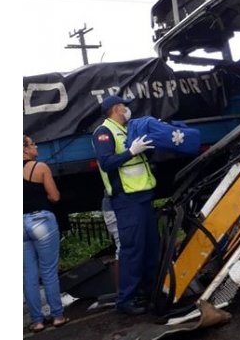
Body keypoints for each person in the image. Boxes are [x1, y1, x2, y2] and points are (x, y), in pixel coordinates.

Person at [92, 95, 159, 316]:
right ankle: (126, 301)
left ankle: (151, 293)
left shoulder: (125, 129)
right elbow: (107, 162)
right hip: (126, 200)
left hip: (142, 196)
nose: (128, 109)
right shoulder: (104, 132)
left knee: (150, 247)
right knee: (132, 250)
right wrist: (131, 152)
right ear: (116, 108)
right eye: (124, 106)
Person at [23, 135, 69, 332]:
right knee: (49, 271)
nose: (36, 146)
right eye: (32, 144)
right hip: (41, 220)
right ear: (23, 149)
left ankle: (37, 321)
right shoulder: (40, 167)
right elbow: (55, 196)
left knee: (28, 275)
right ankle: (57, 316)